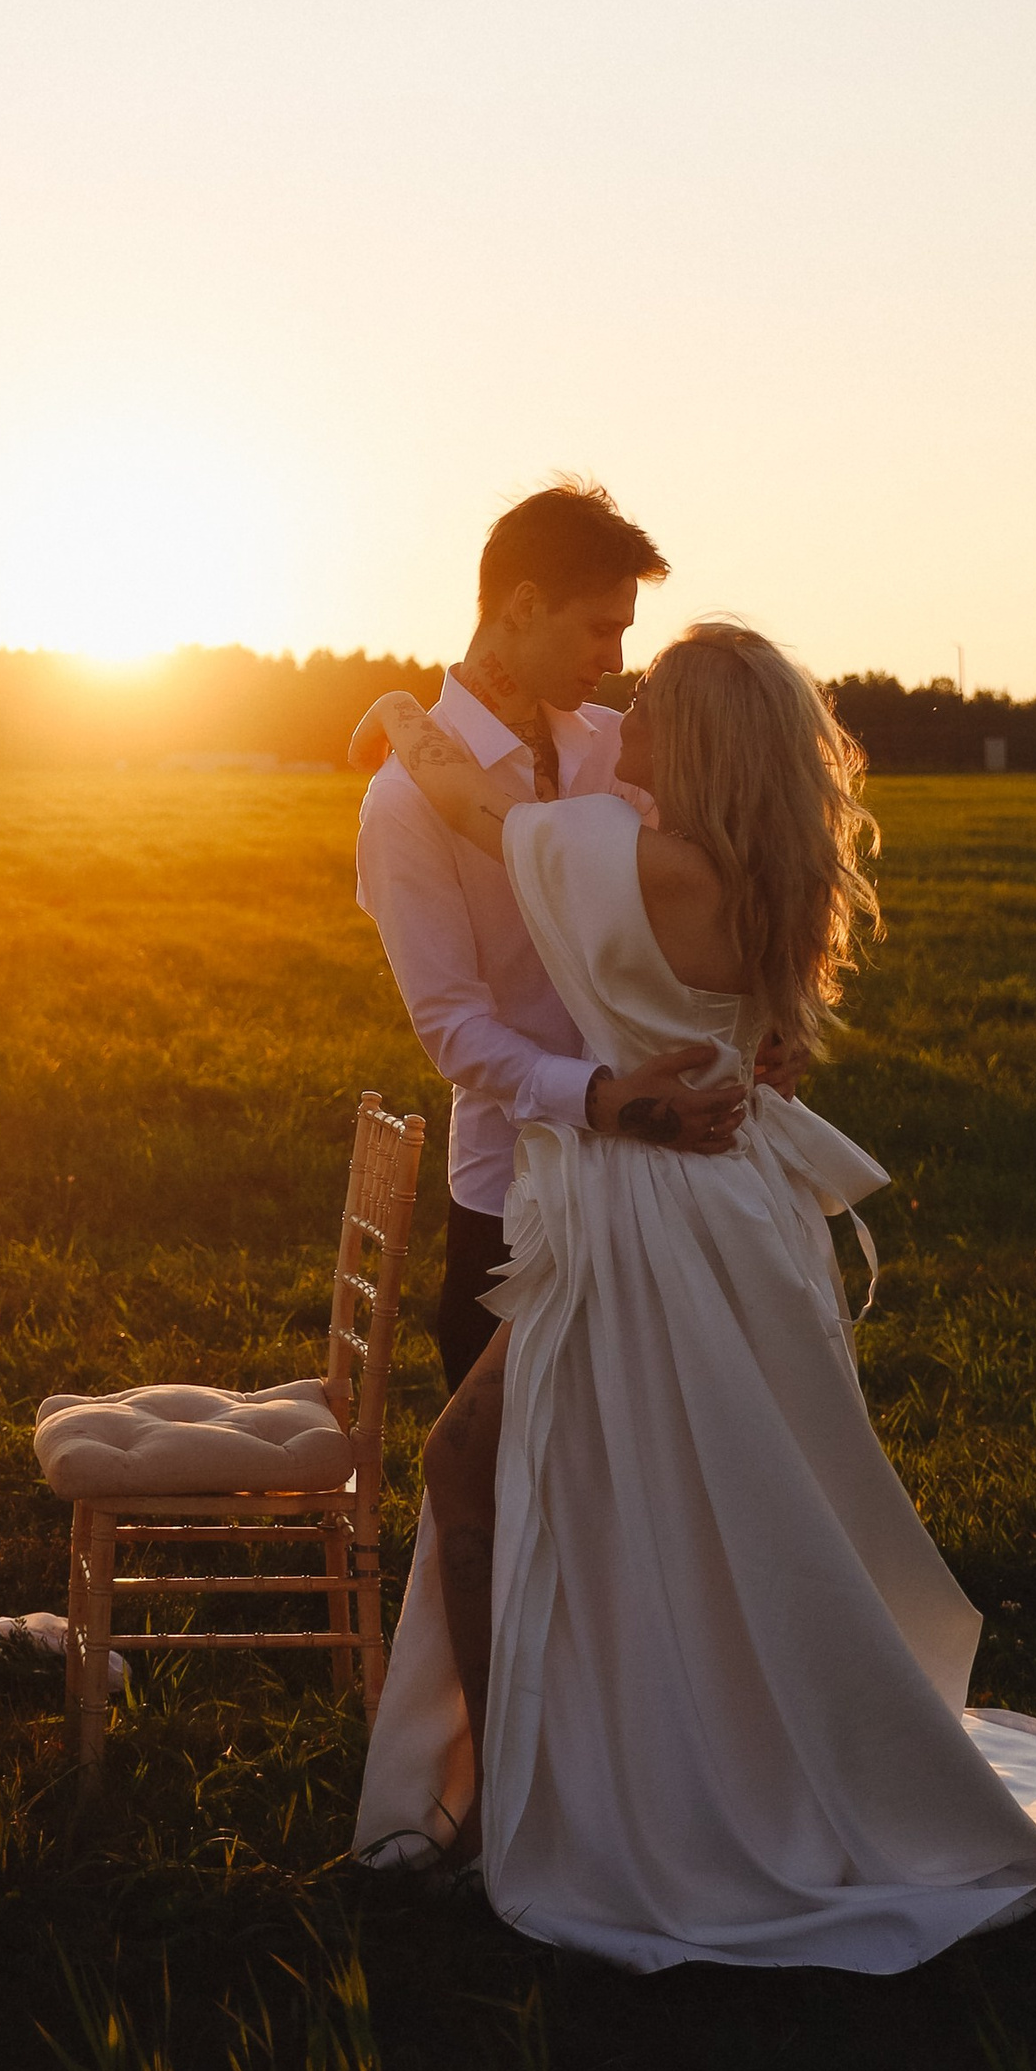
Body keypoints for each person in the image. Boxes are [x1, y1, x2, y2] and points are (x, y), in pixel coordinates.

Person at [349, 620, 1036, 1971]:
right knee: (680, 1492)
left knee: (551, 1477)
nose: (626, 707)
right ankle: (593, 1763)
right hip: (728, 1204)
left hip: (651, 1216)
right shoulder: (757, 867)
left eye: (655, 699)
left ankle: (541, 1807)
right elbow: (747, 1030)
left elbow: (471, 804)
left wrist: (391, 707)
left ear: (705, 738)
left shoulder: (642, 860)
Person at [353, 482, 759, 1394]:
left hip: (667, 1180)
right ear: (524, 604)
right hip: (511, 1198)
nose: (615, 662)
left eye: (624, 634)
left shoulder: (628, 746)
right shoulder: (403, 802)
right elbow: (453, 1027)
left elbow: (719, 903)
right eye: (599, 630)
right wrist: (601, 1099)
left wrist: (762, 1031)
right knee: (508, 1468)